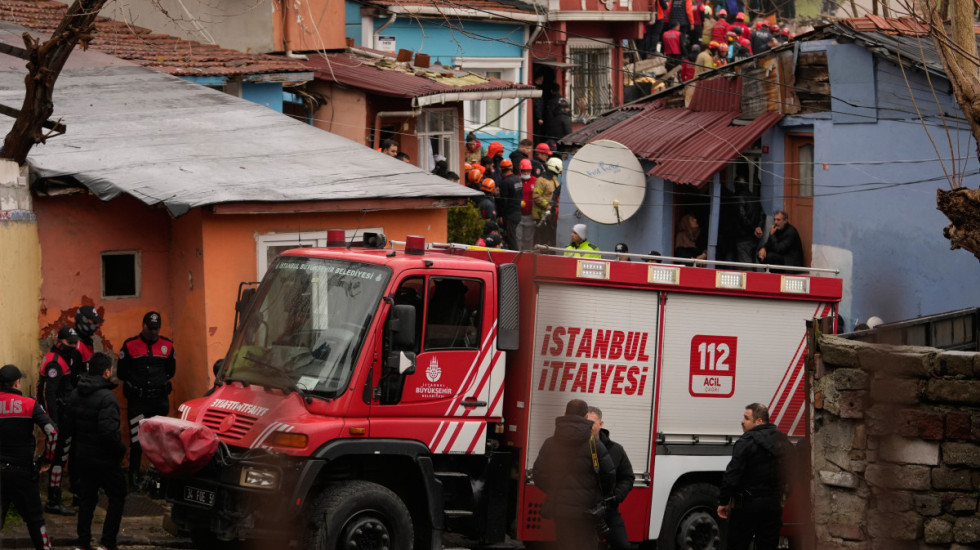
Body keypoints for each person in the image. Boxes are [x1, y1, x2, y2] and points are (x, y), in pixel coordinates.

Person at [533, 399, 615, 550]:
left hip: (561, 510)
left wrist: (555, 490)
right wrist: (595, 495)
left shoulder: (550, 443)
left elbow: (538, 474)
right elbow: (609, 475)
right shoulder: (594, 444)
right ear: (585, 417)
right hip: (588, 511)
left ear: (565, 414)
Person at [65, 352, 127, 550]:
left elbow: (68, 427)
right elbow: (109, 432)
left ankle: (83, 542)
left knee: (86, 500)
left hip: (82, 457)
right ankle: (107, 543)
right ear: (106, 372)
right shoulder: (107, 398)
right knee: (117, 496)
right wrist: (120, 451)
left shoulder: (75, 393)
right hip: (105, 459)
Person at [718, 403, 794, 550]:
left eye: (746, 418)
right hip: (773, 506)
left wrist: (723, 501)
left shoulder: (746, 442)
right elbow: (792, 471)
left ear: (759, 421)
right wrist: (784, 493)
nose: (742, 421)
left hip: (746, 507)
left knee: (737, 544)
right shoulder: (785, 443)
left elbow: (733, 474)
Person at [0, 364, 57, 550]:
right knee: (35, 520)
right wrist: (46, 459)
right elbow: (53, 433)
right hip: (23, 473)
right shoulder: (29, 404)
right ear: (17, 382)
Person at [118, 311, 176, 489]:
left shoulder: (167, 345)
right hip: (138, 401)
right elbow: (121, 372)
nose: (153, 332)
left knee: (159, 441)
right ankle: (133, 478)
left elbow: (171, 371)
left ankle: (159, 478)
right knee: (136, 440)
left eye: (156, 328)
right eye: (150, 328)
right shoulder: (129, 345)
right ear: (143, 326)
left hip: (158, 401)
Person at [40, 325, 82, 516]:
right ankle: (53, 500)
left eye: (75, 343)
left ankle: (53, 498)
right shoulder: (55, 363)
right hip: (59, 418)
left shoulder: (62, 358)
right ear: (59, 342)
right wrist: (53, 422)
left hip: (64, 415)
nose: (73, 346)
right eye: (69, 343)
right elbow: (49, 393)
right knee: (56, 459)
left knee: (58, 458)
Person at [585, 407, 633, 550]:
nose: (589, 427)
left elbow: (628, 477)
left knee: (623, 546)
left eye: (592, 423)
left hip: (608, 510)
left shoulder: (616, 450)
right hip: (584, 512)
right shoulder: (578, 448)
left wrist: (615, 496)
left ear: (601, 424)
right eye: (585, 422)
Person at [732, 178, 765, 264]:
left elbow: (742, 216)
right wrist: (758, 228)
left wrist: (754, 228)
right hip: (754, 237)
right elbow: (762, 214)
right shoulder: (754, 196)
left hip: (743, 236)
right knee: (752, 261)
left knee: (745, 264)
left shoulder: (739, 198)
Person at [533, 157, 563, 247]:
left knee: (550, 239)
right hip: (541, 216)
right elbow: (536, 196)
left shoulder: (555, 180)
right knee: (542, 240)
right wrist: (547, 206)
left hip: (551, 216)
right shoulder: (541, 181)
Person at [497, 158, 523, 250]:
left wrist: (500, 215)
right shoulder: (518, 180)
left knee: (510, 237)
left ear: (502, 169)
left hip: (510, 215)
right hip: (518, 213)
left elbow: (504, 201)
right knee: (514, 236)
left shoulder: (505, 182)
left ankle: (514, 255)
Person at [74, 305, 104, 370]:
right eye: (94, 322)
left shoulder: (87, 340)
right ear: (83, 320)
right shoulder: (75, 345)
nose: (97, 325)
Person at [517, 159, 537, 250]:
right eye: (523, 171)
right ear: (520, 171)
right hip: (518, 215)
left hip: (530, 215)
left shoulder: (535, 181)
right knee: (518, 237)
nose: (525, 173)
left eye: (527, 171)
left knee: (529, 239)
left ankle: (528, 256)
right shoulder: (516, 180)